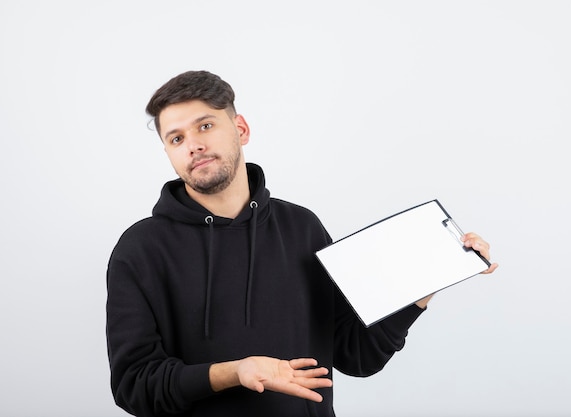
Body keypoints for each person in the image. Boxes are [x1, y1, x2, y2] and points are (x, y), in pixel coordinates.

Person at [105, 70, 498, 417]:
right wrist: (234, 372)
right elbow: (134, 387)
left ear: (240, 129)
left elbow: (356, 354)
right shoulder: (140, 250)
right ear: (169, 153)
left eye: (205, 126)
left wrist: (423, 288)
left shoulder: (302, 227)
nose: (193, 145)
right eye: (177, 138)